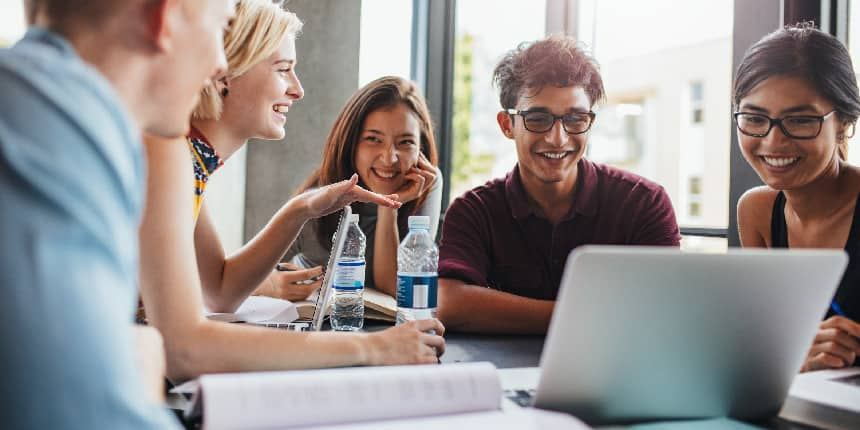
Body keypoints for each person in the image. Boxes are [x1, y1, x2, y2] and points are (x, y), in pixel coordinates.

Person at [139, 0, 445, 382]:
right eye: (283, 70)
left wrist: (300, 209)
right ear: (224, 71)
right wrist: (374, 347)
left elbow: (219, 290)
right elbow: (185, 349)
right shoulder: (167, 155)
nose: (298, 90)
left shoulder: (191, 164)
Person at [0, 0, 234, 428]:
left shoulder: (45, 101)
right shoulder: (58, 127)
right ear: (164, 17)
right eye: (221, 27)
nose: (220, 62)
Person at [436, 34, 681, 334]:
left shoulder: (644, 203)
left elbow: (661, 310)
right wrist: (594, 318)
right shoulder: (473, 211)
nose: (558, 138)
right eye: (538, 118)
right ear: (506, 125)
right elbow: (452, 304)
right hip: (500, 376)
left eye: (575, 119)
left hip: (610, 376)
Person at [734, 23, 860, 372]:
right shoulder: (756, 210)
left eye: (801, 120)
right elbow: (767, 340)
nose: (773, 142)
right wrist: (795, 356)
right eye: (755, 118)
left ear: (845, 122)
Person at [284, 76, 441, 297]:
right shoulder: (318, 199)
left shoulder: (426, 182)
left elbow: (396, 289)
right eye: (373, 139)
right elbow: (251, 277)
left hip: (381, 325)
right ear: (351, 143)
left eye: (405, 142)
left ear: (421, 148)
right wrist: (273, 285)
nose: (389, 158)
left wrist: (388, 206)